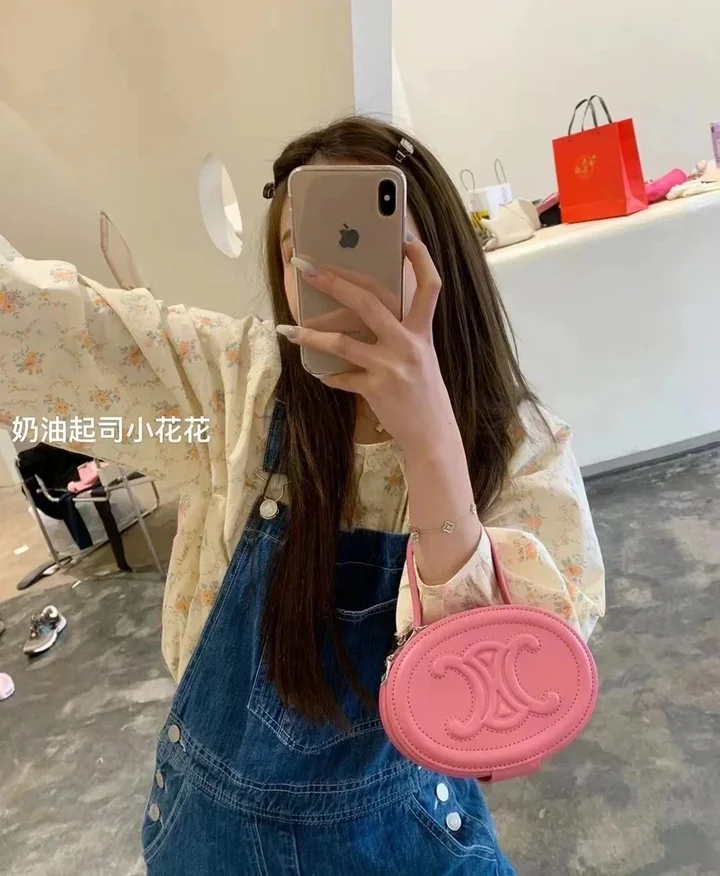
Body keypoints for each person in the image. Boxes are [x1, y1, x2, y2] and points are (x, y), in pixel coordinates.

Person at [0, 117, 605, 875]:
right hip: (213, 843)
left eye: (371, 245)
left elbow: (500, 731)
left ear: (439, 254)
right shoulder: (235, 385)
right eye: (302, 251)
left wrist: (431, 441)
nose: (333, 277)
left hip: (407, 845)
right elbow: (56, 324)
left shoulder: (517, 447)